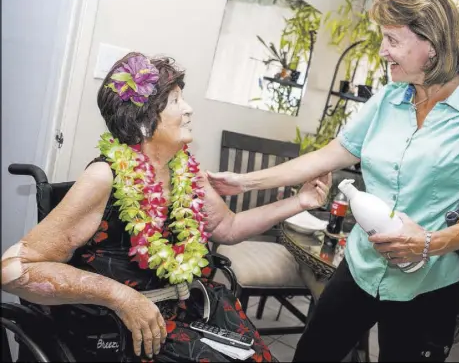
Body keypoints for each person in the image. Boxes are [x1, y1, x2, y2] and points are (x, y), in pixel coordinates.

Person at [207, 0, 459, 362]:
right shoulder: (389, 98)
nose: (383, 51)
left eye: (393, 40)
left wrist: (431, 243)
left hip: (430, 283)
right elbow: (330, 154)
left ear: (431, 44)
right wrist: (244, 182)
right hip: (361, 267)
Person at [1, 52, 332, 362]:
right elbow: (13, 269)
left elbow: (227, 228)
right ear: (145, 120)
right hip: (123, 327)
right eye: (175, 101)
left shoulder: (186, 169)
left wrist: (300, 201)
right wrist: (121, 297)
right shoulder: (104, 178)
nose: (188, 109)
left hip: (186, 308)